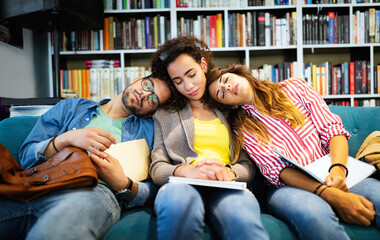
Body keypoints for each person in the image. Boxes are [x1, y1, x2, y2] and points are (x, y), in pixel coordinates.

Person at [206, 64, 380, 240]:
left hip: (334, 168)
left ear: (237, 73)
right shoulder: (242, 128)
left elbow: (333, 130)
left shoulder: (296, 87)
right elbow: (279, 170)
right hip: (288, 187)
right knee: (314, 215)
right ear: (229, 106)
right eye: (221, 94)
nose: (226, 87)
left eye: (225, 80)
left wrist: (338, 170)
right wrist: (331, 195)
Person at [0, 75, 172, 240]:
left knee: (57, 230)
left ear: (152, 112)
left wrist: (124, 185)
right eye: (147, 86)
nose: (144, 94)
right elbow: (26, 158)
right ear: (136, 80)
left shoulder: (150, 132)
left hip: (96, 193)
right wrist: (65, 139)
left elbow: (156, 189)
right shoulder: (70, 108)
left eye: (154, 99)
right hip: (44, 184)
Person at [149, 36, 269, 240]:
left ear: (203, 65)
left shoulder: (231, 108)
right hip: (181, 185)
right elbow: (157, 167)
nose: (188, 86)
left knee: (243, 220)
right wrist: (183, 171)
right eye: (178, 81)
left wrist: (230, 173)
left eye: (191, 74)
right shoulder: (164, 115)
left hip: (226, 185)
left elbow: (248, 164)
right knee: (178, 207)